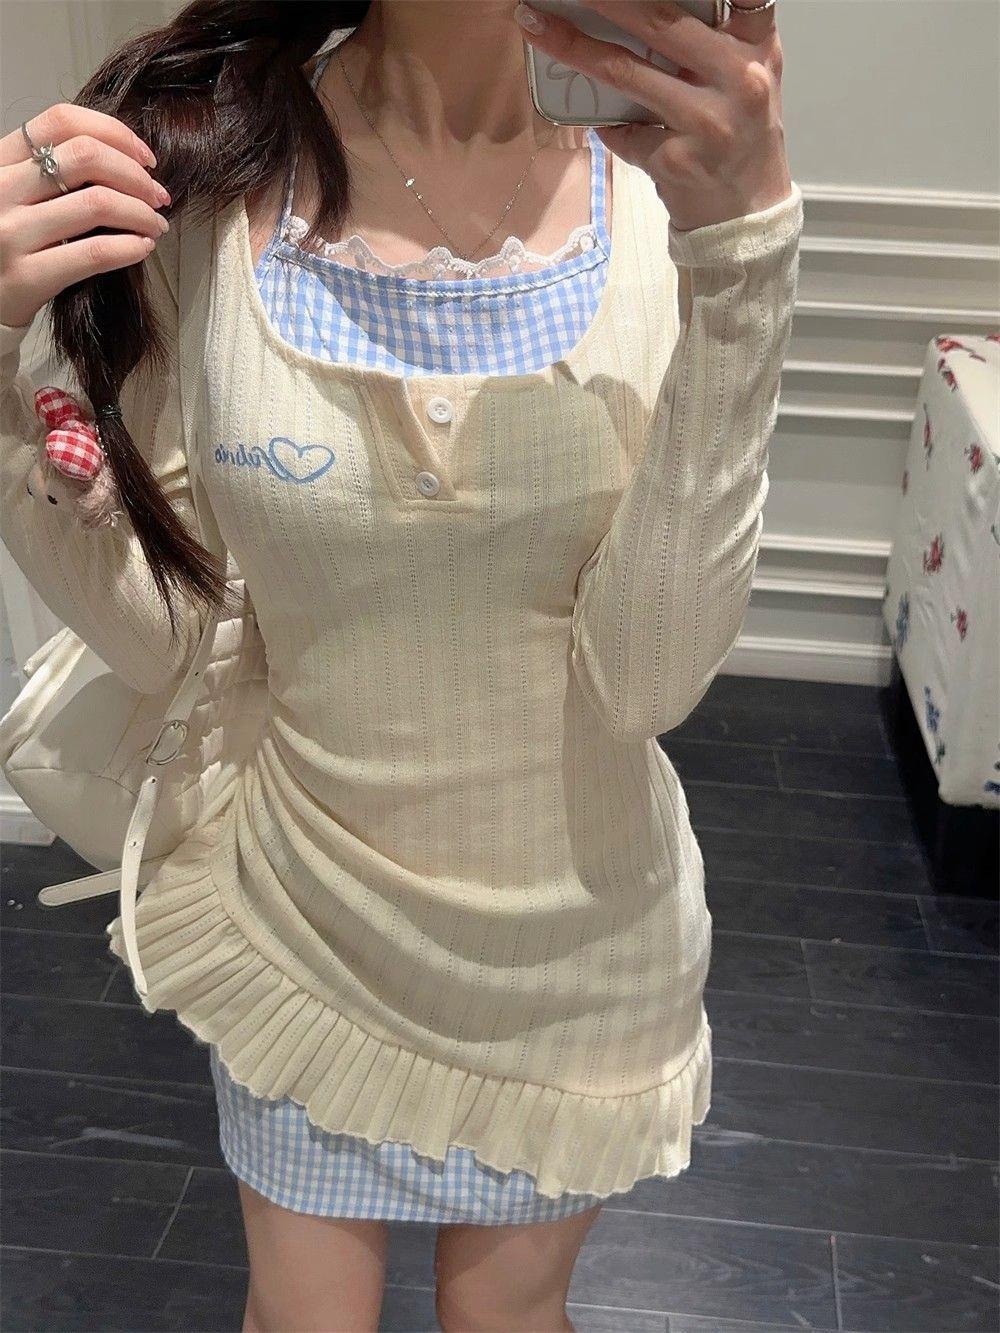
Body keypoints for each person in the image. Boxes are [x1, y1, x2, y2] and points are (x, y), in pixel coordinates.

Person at [0, 1, 801, 1329]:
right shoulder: (213, 170)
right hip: (303, 927)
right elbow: (164, 635)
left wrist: (745, 258)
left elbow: (645, 679)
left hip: (578, 963)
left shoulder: (678, 187)